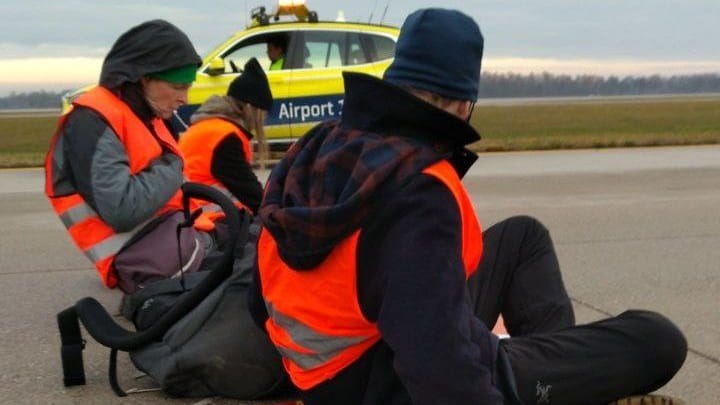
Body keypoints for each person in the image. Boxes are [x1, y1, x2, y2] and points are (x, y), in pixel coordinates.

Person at [248, 8, 687, 405]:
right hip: (388, 383)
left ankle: (555, 385)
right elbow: (438, 369)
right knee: (658, 340)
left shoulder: (313, 149)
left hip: (337, 366)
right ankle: (554, 388)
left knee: (522, 236)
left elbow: (257, 301)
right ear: (463, 104)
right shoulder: (417, 190)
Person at [45, 20, 207, 293]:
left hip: (171, 234)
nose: (185, 98)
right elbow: (121, 208)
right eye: (178, 86)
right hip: (144, 257)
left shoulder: (147, 113)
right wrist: (173, 167)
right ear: (144, 77)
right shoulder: (91, 122)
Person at [179, 57, 272, 232]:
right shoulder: (226, 138)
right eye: (263, 114)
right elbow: (252, 195)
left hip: (189, 213)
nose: (264, 121)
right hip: (208, 220)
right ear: (251, 109)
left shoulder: (211, 126)